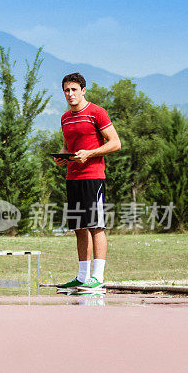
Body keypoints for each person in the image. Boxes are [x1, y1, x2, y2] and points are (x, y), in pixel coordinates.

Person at [54, 73, 121, 294]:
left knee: (95, 225)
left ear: (83, 90)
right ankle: (82, 277)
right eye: (66, 90)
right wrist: (61, 157)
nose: (70, 94)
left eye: (74, 89)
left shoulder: (96, 113)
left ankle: (98, 278)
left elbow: (115, 143)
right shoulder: (65, 118)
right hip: (72, 178)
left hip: (93, 177)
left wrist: (90, 154)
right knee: (79, 228)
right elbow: (67, 146)